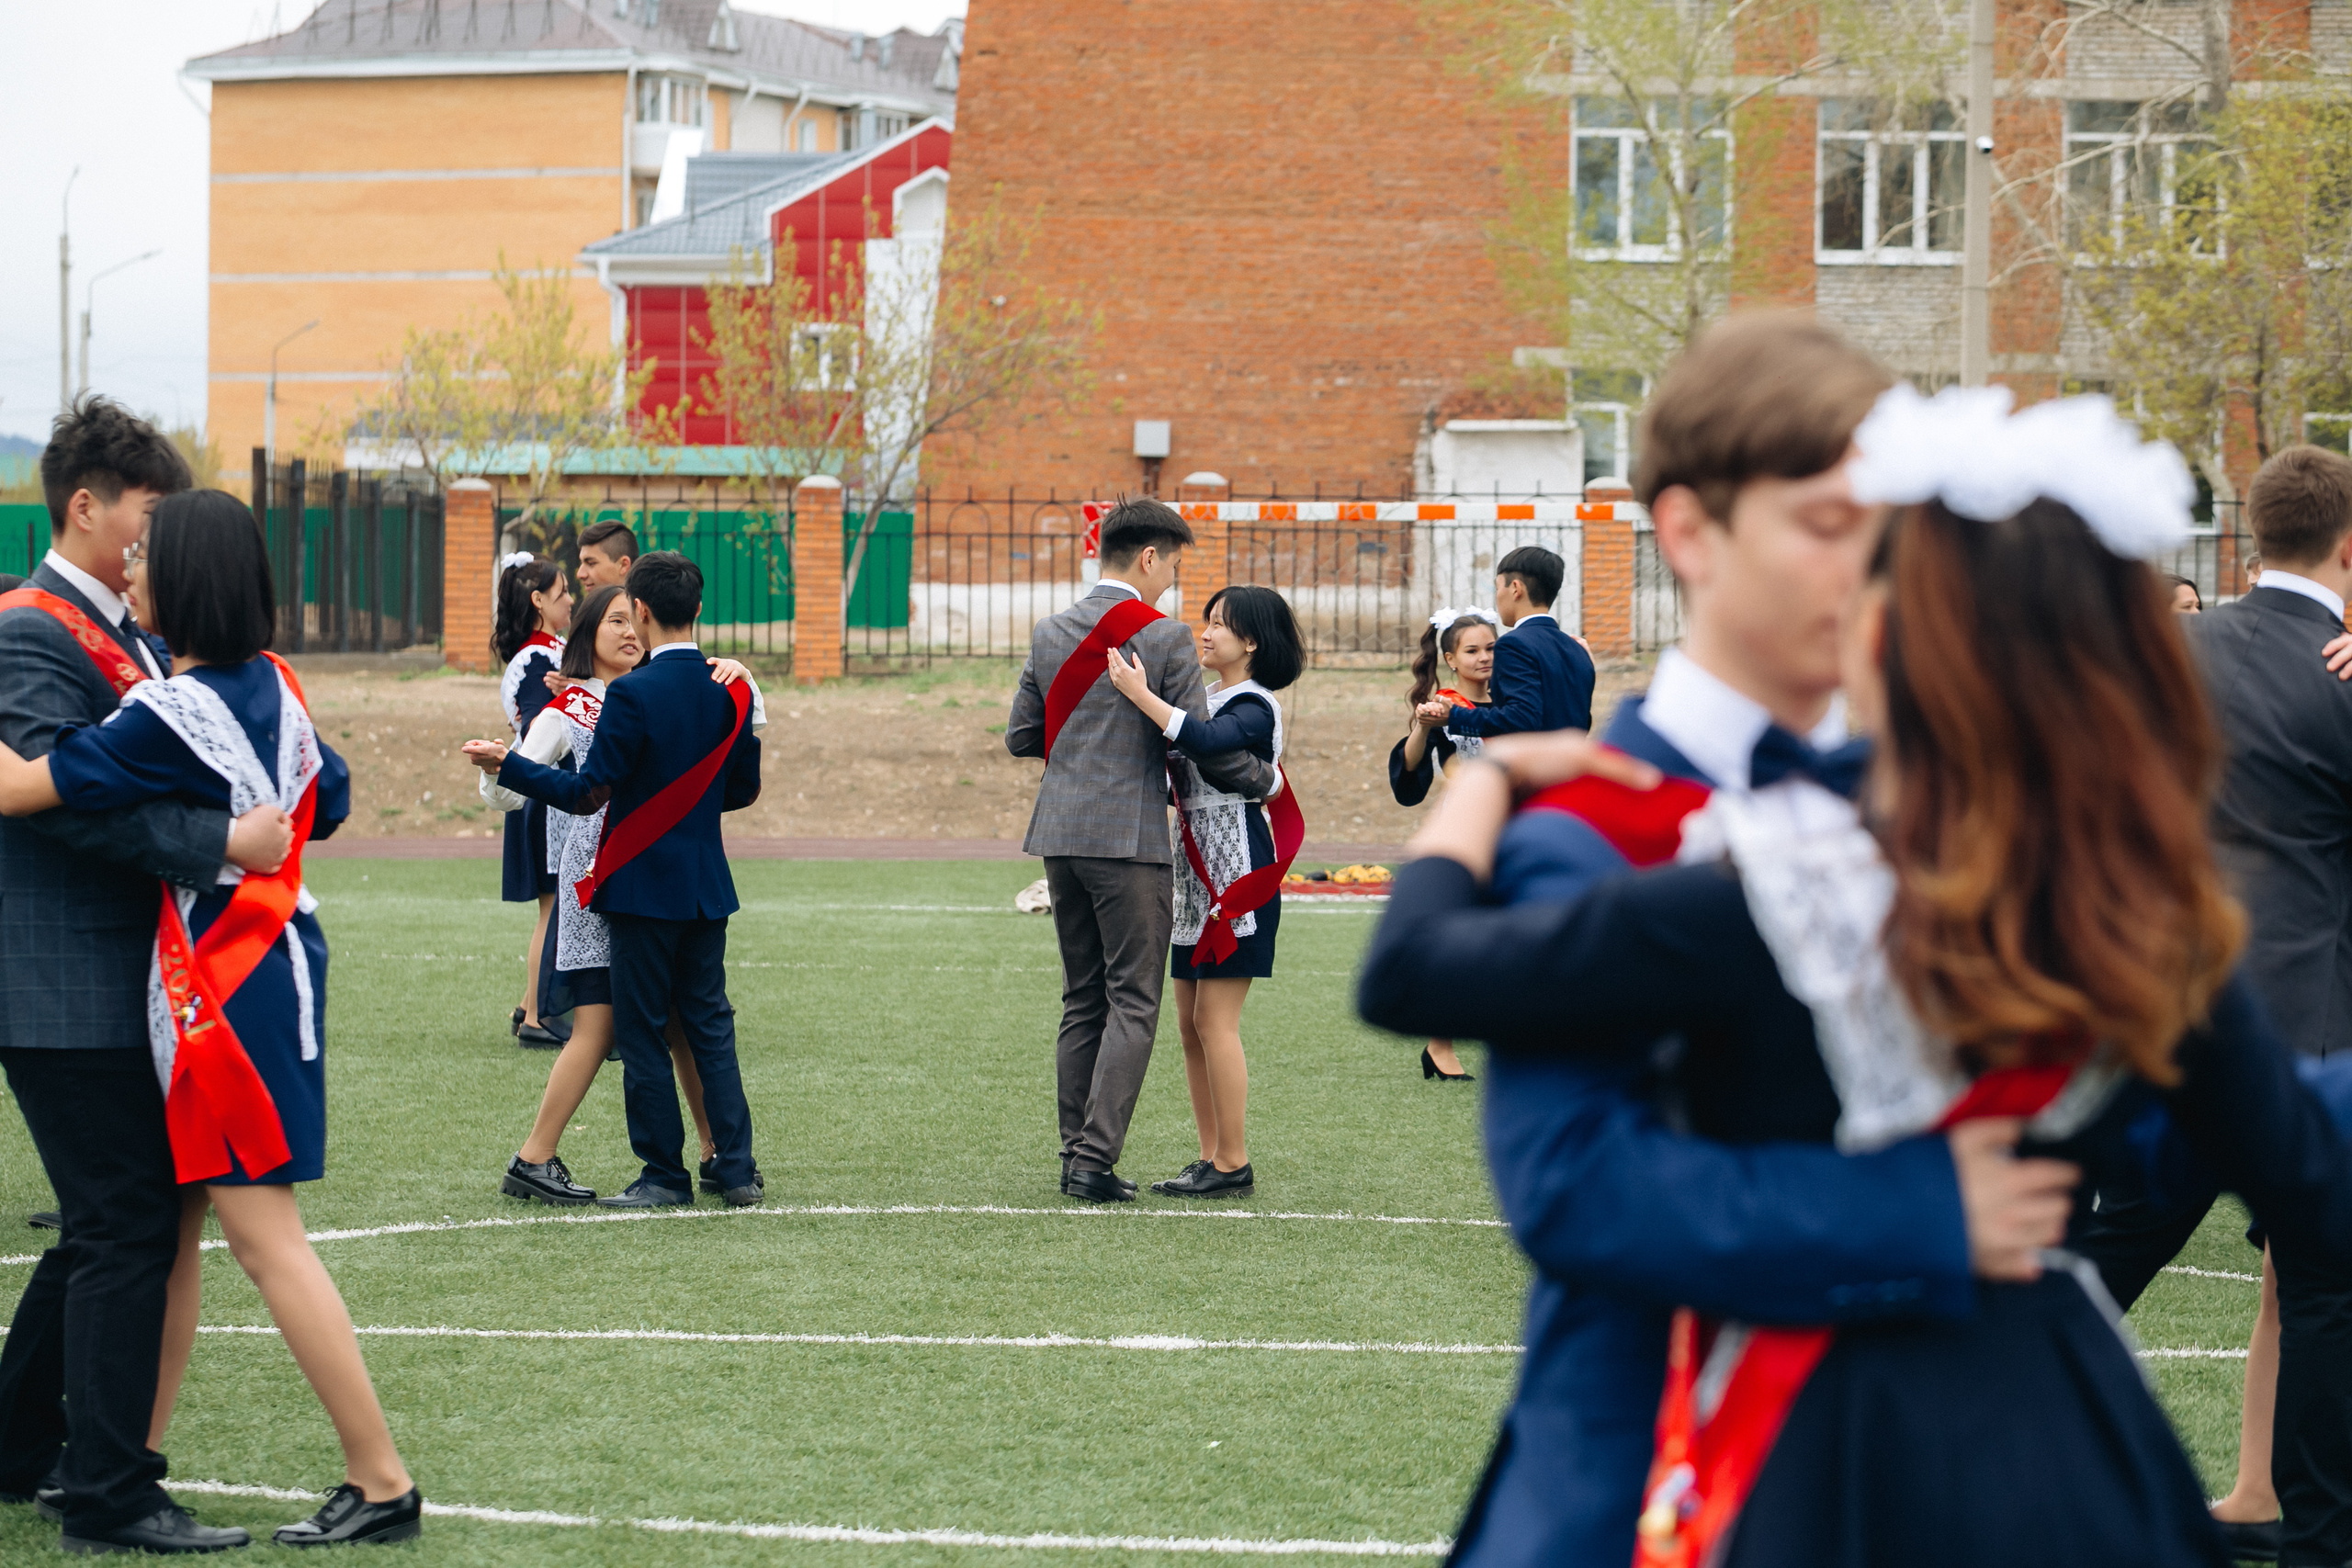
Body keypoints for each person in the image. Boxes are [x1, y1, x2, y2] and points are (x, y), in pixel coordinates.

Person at [1362, 384, 2352, 1568]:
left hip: (1815, 1439)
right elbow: (2295, 1151)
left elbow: (1418, 981)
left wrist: (1479, 787)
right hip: (2016, 1425)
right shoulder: (2134, 899)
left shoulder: (1795, 872)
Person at [1353, 315, 2053, 1568]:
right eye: (1834, 526)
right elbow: (1573, 1187)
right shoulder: (1589, 823)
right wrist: (1919, 1214)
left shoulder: (1931, 804)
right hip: (1652, 1476)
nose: (1875, 571)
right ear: (1689, 534)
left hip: (1923, 1459)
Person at [0, 488, 422, 1548]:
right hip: (272, 966)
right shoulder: (272, 683)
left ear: (180, 579)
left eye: (143, 558)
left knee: (262, 1236)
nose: (128, 573)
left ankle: (379, 1480)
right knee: (177, 1232)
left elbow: (32, 787)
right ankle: (113, 1467)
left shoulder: (165, 713)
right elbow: (324, 806)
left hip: (222, 994)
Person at [0, 399, 292, 1555]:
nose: (157, 539)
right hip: (59, 973)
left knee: (106, 1224)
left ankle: (24, 1444)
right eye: (148, 514)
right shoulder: (32, 627)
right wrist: (219, 840)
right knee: (128, 1224)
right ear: (86, 507)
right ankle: (110, 1490)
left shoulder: (134, 628)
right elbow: (59, 804)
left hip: (123, 972)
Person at [2072, 444, 2352, 1565]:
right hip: (2302, 1036)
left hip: (2153, 1017)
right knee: (2330, 1291)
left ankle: (1943, 1469)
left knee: (2094, 1263)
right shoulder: (2338, 675)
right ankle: (2324, 1540)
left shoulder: (2164, 646)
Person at [465, 551, 765, 1210]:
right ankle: (736, 1168)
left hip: (635, 884)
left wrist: (508, 767)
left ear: (649, 613)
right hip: (705, 883)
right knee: (709, 1024)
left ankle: (664, 1173)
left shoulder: (631, 694)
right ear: (701, 607)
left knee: (641, 1031)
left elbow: (586, 795)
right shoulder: (732, 689)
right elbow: (741, 787)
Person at [1003, 499, 1280, 1203]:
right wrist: (1267, 781)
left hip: (1059, 834)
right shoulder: (1161, 638)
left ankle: (1075, 1154)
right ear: (1149, 557)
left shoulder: (1049, 630)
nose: (1174, 584)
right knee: (1134, 998)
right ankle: (1094, 1161)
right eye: (1175, 566)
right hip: (1128, 841)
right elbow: (1203, 746)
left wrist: (1085, 753)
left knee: (1082, 998)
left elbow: (1021, 736)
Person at [1104, 583, 1305, 1199]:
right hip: (1193, 875)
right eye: (1206, 620)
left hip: (1238, 869)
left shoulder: (1255, 703)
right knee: (1190, 1024)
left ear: (1252, 640)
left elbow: (1212, 743)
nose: (1206, 632)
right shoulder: (1208, 696)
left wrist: (1142, 697)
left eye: (1221, 624)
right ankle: (1211, 1154)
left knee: (1217, 1021)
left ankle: (1233, 1160)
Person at [1389, 606, 1501, 1082]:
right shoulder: (1444, 705)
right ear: (1451, 659)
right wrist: (1423, 725)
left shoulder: (1516, 701)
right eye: (1472, 650)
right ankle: (1439, 1043)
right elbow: (1409, 773)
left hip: (1517, 831)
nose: (1484, 658)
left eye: (1491, 648)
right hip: (1468, 834)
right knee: (1461, 943)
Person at [493, 553, 572, 1048]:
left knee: (555, 904)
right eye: (562, 592)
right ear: (538, 601)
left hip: (545, 792)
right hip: (545, 796)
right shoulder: (536, 658)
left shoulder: (549, 651)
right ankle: (540, 1016)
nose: (571, 600)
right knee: (552, 907)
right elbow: (539, 725)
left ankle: (531, 1003)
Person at [1413, 545, 1593, 743]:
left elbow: (1521, 718)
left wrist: (1454, 716)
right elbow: (1581, 721)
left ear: (1516, 589)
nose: (1497, 596)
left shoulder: (1514, 643)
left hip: (1531, 769)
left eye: (1498, 587)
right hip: (1572, 767)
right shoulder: (1577, 648)